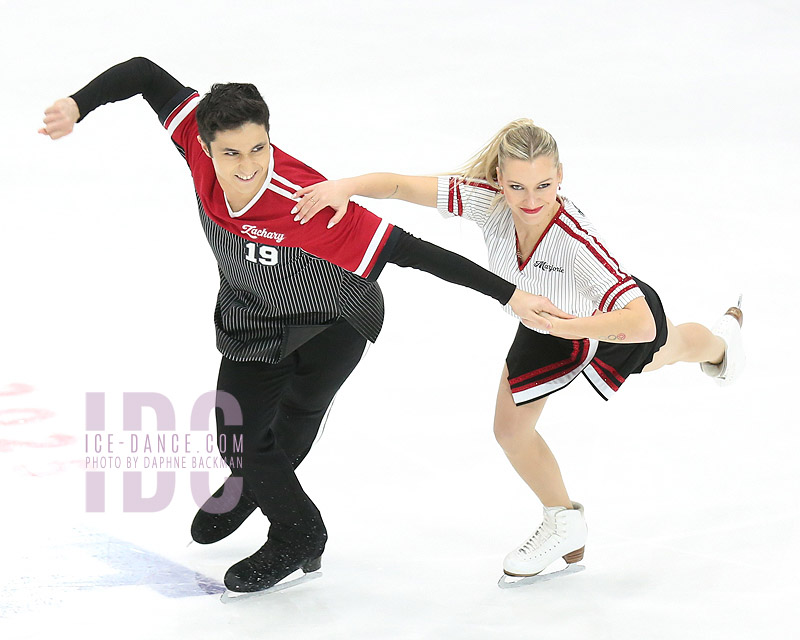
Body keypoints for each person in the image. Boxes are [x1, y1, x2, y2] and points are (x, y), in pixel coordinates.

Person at [39, 61, 571, 593]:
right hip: (255, 318)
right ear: (203, 146)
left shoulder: (303, 199)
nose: (249, 166)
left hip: (335, 316)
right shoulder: (192, 136)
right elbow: (143, 74)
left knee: (288, 427)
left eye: (259, 148)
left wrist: (510, 294)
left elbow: (410, 250)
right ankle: (260, 486)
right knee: (238, 436)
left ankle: (297, 533)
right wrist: (78, 104)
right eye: (231, 153)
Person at [289, 118, 745, 579]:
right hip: (546, 323)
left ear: (561, 176)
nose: (530, 201)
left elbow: (641, 323)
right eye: (517, 186)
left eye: (544, 185)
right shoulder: (489, 203)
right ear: (499, 182)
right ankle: (564, 520)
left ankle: (723, 343)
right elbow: (401, 185)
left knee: (675, 345)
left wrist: (571, 327)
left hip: (609, 323)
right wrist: (343, 187)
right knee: (510, 430)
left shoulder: (575, 243)